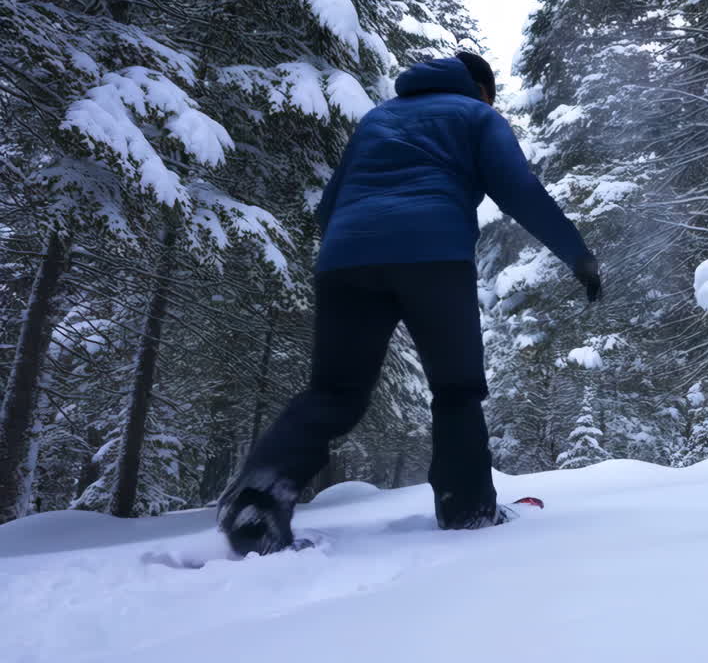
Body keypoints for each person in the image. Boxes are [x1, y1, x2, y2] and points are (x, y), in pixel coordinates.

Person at [216, 51, 601, 556]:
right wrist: (578, 255)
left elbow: (331, 204)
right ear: (481, 89)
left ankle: (258, 502)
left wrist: (354, 250)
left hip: (346, 260)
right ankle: (467, 508)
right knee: (457, 389)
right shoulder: (477, 116)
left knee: (333, 392)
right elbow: (518, 190)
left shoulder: (378, 118)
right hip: (434, 257)